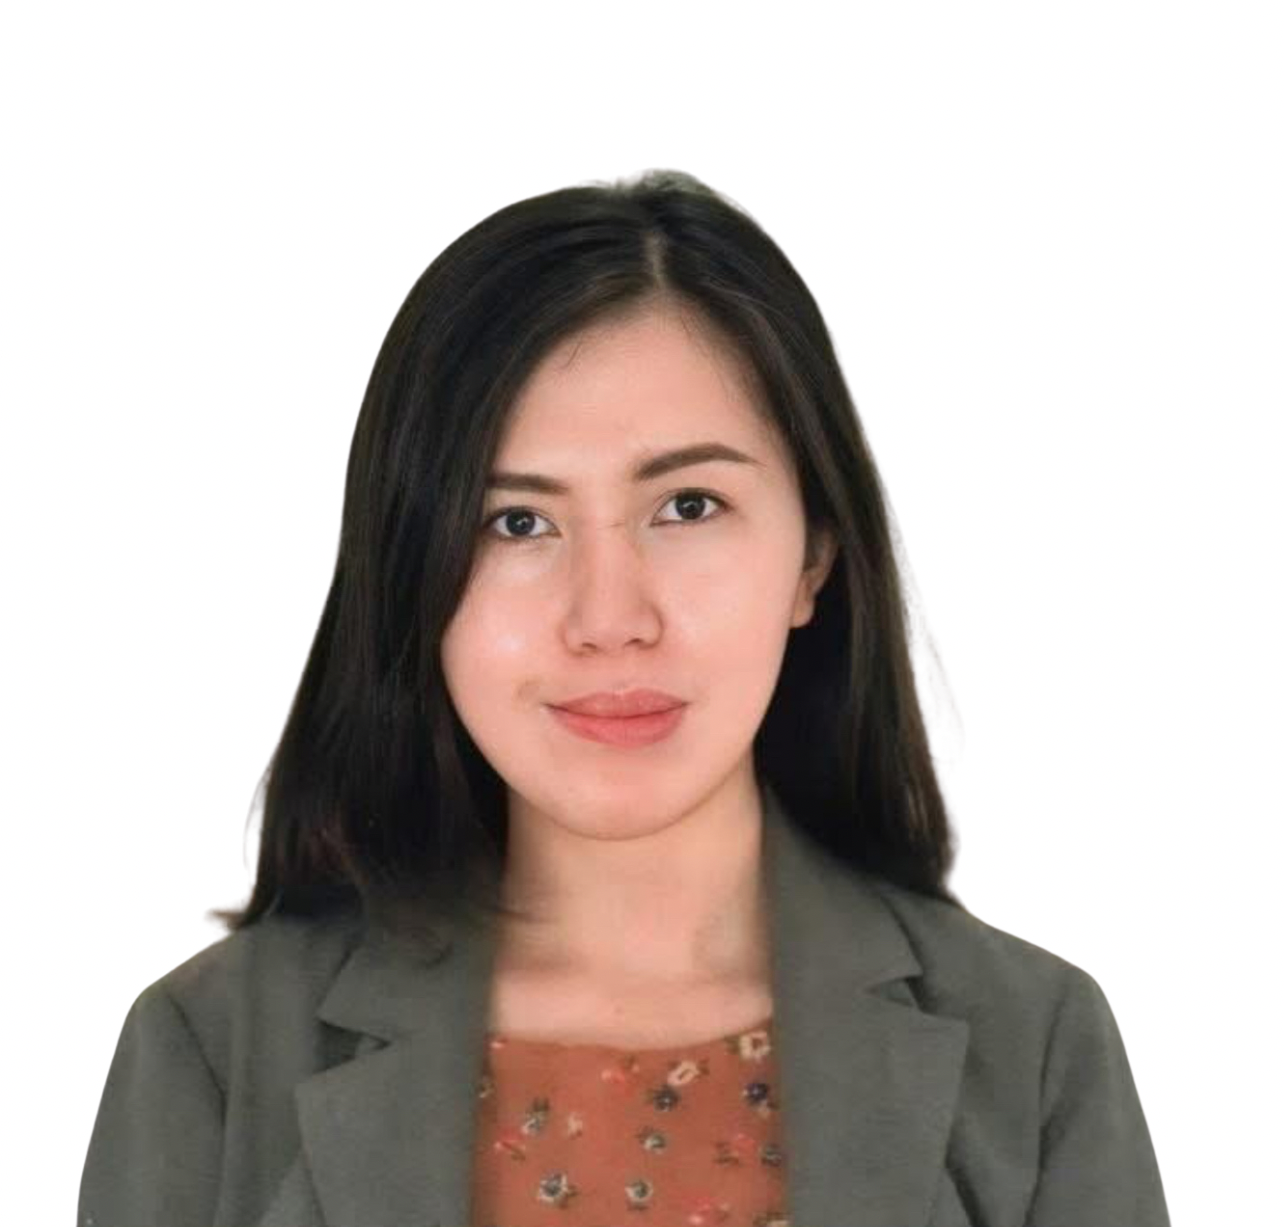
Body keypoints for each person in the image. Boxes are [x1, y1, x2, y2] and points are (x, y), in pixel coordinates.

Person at [78, 169, 1171, 1227]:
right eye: (515, 522)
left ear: (814, 556)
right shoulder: (214, 1054)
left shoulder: (1033, 1051)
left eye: (688, 505)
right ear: (412, 576)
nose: (609, 616)